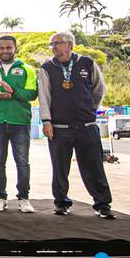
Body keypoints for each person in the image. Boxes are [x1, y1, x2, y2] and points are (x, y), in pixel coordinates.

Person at [38, 31, 114, 219]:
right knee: (60, 168)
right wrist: (46, 121)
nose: (53, 47)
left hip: (86, 125)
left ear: (69, 45)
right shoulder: (47, 67)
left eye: (57, 43)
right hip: (59, 127)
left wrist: (90, 108)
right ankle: (61, 202)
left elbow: (99, 89)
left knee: (94, 166)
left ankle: (102, 204)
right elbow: (44, 97)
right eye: (52, 44)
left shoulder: (87, 63)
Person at [0, 36, 38, 213]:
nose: (5, 51)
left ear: (15, 48)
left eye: (8, 48)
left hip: (20, 122)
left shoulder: (26, 69)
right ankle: (0, 198)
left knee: (22, 162)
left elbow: (32, 93)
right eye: (2, 48)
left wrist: (14, 92)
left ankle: (23, 198)